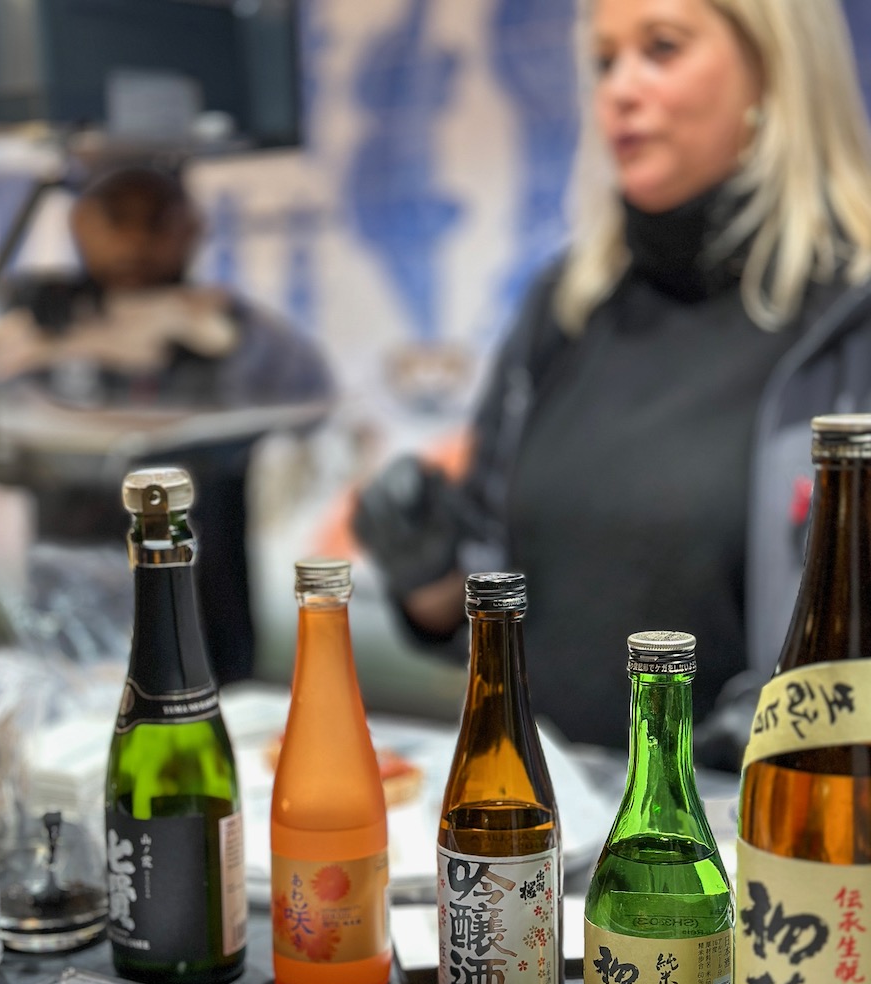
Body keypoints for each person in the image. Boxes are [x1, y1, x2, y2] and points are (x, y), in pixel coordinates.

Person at [353, 0, 871, 769]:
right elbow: (498, 614)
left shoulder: (852, 323)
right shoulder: (566, 306)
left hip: (754, 823)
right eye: (604, 61)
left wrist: (771, 740)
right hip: (548, 816)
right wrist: (427, 571)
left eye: (662, 48)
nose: (619, 90)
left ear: (774, 68)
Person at [0, 164, 334, 683]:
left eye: (158, 222)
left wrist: (222, 335)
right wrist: (54, 336)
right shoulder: (46, 311)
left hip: (204, 603)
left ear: (192, 229)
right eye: (116, 219)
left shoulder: (220, 323)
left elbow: (312, 393)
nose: (135, 241)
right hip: (74, 598)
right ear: (81, 224)